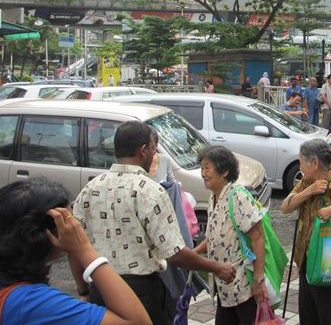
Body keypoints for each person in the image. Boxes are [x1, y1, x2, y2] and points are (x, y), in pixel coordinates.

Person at [72, 121, 235, 325]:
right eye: (153, 149)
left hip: (100, 291)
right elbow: (175, 253)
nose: (154, 154)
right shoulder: (150, 191)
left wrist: (84, 291)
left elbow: (74, 247)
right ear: (143, 150)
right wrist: (217, 268)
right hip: (141, 294)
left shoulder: (89, 189)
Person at [0, 178, 151, 325]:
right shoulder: (31, 303)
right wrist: (84, 249)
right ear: (41, 233)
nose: (75, 225)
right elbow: (138, 322)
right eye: (67, 220)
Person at [280, 139, 331, 325]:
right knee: (308, 315)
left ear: (314, 163)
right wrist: (308, 191)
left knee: (329, 314)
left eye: (301, 161)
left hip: (327, 265)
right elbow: (285, 207)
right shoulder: (307, 181)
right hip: (305, 261)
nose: (299, 165)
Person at [192, 146, 267, 324]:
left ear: (225, 171)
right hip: (224, 287)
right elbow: (214, 236)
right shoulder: (213, 198)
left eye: (207, 168)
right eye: (202, 168)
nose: (203, 173)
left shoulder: (238, 197)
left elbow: (257, 237)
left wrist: (258, 280)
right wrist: (193, 254)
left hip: (243, 288)